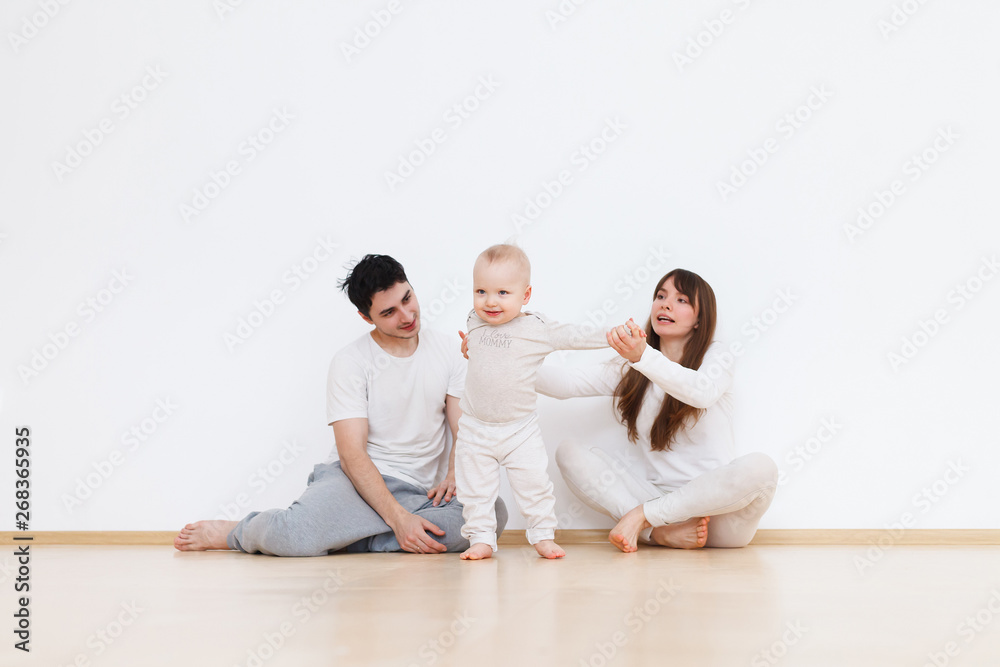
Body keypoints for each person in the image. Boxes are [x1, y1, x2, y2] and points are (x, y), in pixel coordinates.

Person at [174, 254, 507, 555]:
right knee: (295, 536)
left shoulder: (450, 350)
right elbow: (352, 455)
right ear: (366, 317)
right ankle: (235, 532)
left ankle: (352, 538)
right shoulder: (351, 361)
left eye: (407, 298)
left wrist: (453, 472)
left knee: (492, 515)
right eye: (388, 312)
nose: (406, 316)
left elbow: (463, 429)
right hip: (358, 484)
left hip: (423, 493)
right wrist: (397, 519)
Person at [536, 268, 778, 552]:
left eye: (682, 300)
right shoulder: (635, 367)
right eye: (661, 296)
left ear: (700, 319)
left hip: (717, 513)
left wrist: (645, 513)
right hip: (656, 497)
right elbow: (568, 384)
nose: (665, 304)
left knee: (762, 468)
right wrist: (502, 362)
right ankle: (660, 534)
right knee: (569, 451)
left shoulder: (717, 356)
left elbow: (700, 392)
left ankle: (642, 521)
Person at [455, 244, 609, 560]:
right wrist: (469, 348)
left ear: (525, 295)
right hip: (474, 426)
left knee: (534, 484)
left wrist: (613, 336)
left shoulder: (536, 327)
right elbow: (481, 351)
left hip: (519, 429)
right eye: (481, 291)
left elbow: (574, 335)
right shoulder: (474, 319)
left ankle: (542, 535)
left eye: (502, 293)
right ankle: (481, 538)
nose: (490, 301)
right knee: (475, 490)